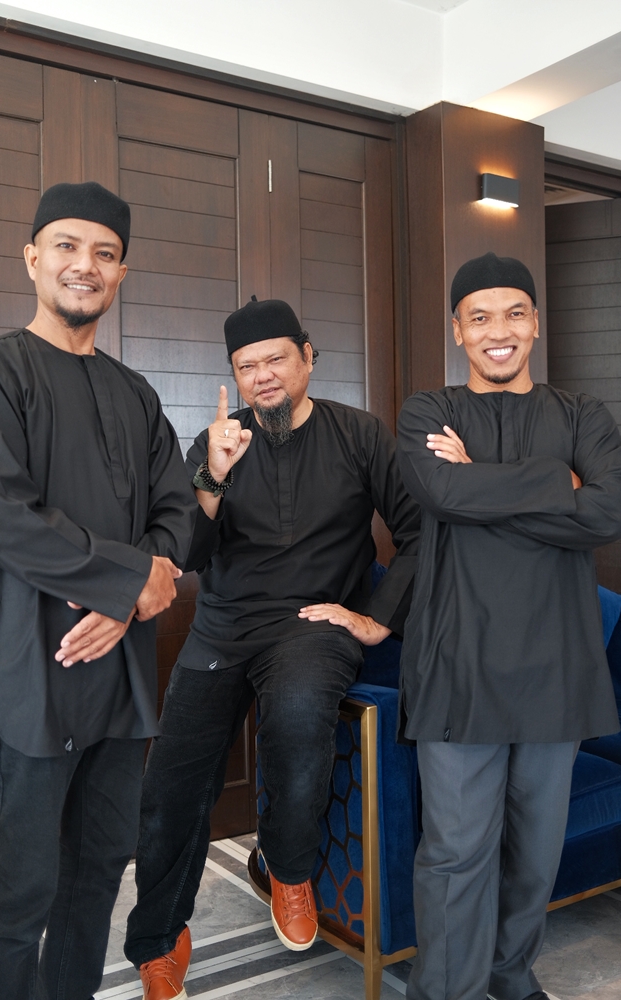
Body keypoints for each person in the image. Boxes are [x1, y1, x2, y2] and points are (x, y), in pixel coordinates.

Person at [0, 181, 216, 1000]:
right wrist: (131, 582)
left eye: (104, 253)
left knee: (98, 869)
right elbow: (4, 518)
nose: (85, 265)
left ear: (120, 273)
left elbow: (176, 514)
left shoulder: (135, 393)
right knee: (19, 888)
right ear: (32, 258)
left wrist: (132, 593)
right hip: (36, 666)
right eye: (66, 246)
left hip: (124, 675)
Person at [123, 296, 421, 1000]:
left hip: (312, 624)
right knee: (171, 781)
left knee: (295, 714)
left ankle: (287, 868)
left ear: (307, 358)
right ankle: (160, 940)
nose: (262, 376)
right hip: (223, 625)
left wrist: (377, 619)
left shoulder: (359, 434)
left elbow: (418, 530)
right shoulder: (215, 446)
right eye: (246, 366)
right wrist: (213, 476)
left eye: (275, 360)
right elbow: (188, 553)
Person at [396, 252, 621, 1000]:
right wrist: (558, 482)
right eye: (481, 317)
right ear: (457, 330)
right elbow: (442, 494)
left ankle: (509, 975)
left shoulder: (583, 414)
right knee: (455, 852)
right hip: (459, 664)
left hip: (557, 665)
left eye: (514, 314)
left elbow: (607, 512)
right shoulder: (427, 412)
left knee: (534, 853)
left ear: (535, 324)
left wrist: (478, 486)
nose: (499, 331)